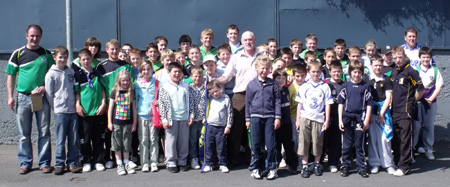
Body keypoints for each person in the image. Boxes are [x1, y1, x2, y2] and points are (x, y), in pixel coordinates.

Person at [6, 24, 54, 174]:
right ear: (26, 35)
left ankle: (45, 163)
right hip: (23, 97)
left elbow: (53, 75)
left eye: (37, 35)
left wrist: (46, 87)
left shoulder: (46, 55)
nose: (34, 38)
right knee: (24, 134)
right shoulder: (18, 54)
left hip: (40, 98)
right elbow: (10, 76)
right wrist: (10, 96)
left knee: (44, 132)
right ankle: (25, 163)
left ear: (41, 36)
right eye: (32, 35)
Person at [215, 31, 261, 168]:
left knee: (256, 128)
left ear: (254, 40)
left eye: (250, 39)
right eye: (245, 40)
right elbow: (226, 77)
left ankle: (253, 157)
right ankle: (234, 158)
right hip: (240, 96)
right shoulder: (236, 57)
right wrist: (213, 81)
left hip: (258, 95)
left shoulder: (261, 56)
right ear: (242, 41)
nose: (248, 42)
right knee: (235, 129)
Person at [96, 39, 135, 169]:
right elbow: (100, 87)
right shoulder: (101, 67)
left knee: (125, 134)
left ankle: (125, 159)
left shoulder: (126, 65)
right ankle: (108, 158)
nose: (114, 51)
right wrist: (103, 103)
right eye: (111, 49)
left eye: (116, 49)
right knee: (108, 133)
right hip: (108, 105)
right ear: (107, 50)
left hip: (124, 106)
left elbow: (131, 84)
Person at [45, 46, 81, 175]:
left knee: (73, 138)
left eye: (65, 57)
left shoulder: (71, 72)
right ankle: (59, 163)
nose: (63, 59)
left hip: (72, 110)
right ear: (55, 57)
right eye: (60, 57)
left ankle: (72, 162)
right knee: (60, 139)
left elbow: (75, 90)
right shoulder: (51, 74)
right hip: (60, 111)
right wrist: (55, 107)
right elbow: (49, 93)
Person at [390, 46, 424, 176]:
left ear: (404, 57)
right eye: (395, 58)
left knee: (405, 140)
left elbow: (421, 90)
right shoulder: (394, 71)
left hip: (406, 111)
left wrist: (412, 102)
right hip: (394, 111)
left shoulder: (411, 71)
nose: (398, 60)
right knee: (396, 139)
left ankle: (405, 167)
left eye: (400, 57)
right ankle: (398, 163)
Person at [245, 56, 281, 180]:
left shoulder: (273, 84)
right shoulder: (251, 85)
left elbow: (277, 102)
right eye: (262, 68)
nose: (264, 71)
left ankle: (272, 168)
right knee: (255, 144)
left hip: (270, 117)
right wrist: (247, 119)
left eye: (267, 68)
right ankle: (256, 168)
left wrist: (277, 118)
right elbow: (248, 103)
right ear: (256, 68)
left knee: (271, 145)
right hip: (255, 117)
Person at [295, 60, 333, 178]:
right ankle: (305, 165)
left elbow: (327, 104)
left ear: (321, 72)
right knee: (304, 141)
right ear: (308, 72)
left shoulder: (325, 86)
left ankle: (317, 164)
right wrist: (298, 120)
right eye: (313, 72)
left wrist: (326, 120)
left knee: (317, 142)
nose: (315, 74)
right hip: (305, 118)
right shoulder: (305, 86)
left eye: (317, 72)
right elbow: (299, 104)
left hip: (318, 119)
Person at [337, 60, 373, 178]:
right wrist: (340, 120)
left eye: (359, 72)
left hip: (359, 120)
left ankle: (361, 167)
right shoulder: (345, 86)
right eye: (354, 72)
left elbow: (369, 104)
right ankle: (345, 166)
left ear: (362, 73)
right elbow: (340, 104)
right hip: (347, 119)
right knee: (347, 145)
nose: (356, 74)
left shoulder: (365, 86)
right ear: (350, 72)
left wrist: (366, 120)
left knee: (359, 145)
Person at [74, 49, 107, 172]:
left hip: (98, 111)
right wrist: (78, 104)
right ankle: (87, 160)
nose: (86, 61)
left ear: (91, 59)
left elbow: (103, 90)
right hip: (85, 112)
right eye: (83, 59)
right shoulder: (78, 75)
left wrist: (103, 103)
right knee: (85, 138)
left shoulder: (98, 73)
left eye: (88, 59)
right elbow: (77, 92)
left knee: (98, 137)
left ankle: (98, 160)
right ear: (80, 60)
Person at [158, 62, 193, 173]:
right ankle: (171, 161)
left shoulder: (185, 86)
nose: (177, 74)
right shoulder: (164, 87)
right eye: (174, 71)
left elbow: (190, 102)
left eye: (179, 71)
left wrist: (191, 116)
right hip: (171, 119)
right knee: (171, 141)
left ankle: (182, 161)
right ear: (169, 72)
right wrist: (164, 119)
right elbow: (162, 104)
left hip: (184, 117)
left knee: (183, 141)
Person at [413, 47, 444, 161]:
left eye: (428, 57)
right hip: (418, 102)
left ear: (430, 58)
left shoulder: (435, 70)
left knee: (429, 126)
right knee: (416, 126)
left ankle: (428, 149)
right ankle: (412, 149)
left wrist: (431, 98)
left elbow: (439, 86)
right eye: (423, 57)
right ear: (420, 58)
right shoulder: (415, 70)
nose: (426, 59)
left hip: (431, 102)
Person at [367, 55, 396, 175]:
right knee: (373, 139)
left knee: (385, 139)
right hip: (371, 112)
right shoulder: (366, 79)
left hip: (383, 112)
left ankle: (388, 164)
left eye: (380, 65)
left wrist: (382, 114)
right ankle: (375, 163)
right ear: (371, 66)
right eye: (375, 65)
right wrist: (369, 115)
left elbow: (389, 98)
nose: (378, 67)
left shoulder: (387, 79)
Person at [108, 69, 138, 175]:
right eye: (123, 80)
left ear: (130, 80)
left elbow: (134, 108)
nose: (125, 83)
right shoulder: (114, 91)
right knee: (117, 143)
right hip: (116, 122)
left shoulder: (131, 92)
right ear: (119, 81)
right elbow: (111, 108)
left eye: (127, 80)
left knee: (126, 143)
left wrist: (134, 123)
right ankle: (119, 163)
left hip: (128, 123)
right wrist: (109, 122)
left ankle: (126, 162)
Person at [203, 80, 233, 173]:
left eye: (216, 91)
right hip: (210, 126)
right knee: (209, 146)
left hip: (221, 127)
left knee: (221, 147)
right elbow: (206, 108)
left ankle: (222, 164)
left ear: (220, 88)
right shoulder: (210, 99)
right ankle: (209, 163)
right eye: (212, 92)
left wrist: (228, 126)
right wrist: (205, 118)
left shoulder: (226, 98)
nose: (215, 94)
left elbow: (230, 113)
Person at [134, 62, 159, 172]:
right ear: (140, 71)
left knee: (153, 139)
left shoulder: (157, 83)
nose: (146, 71)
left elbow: (160, 97)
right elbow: (135, 100)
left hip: (153, 116)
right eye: (143, 69)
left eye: (148, 69)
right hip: (142, 115)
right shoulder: (137, 84)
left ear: (151, 70)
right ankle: (145, 162)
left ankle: (154, 162)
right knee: (143, 140)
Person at [273, 69, 298, 174]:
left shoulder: (286, 90)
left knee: (289, 145)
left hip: (287, 122)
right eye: (278, 78)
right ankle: (274, 166)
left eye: (283, 78)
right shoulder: (273, 91)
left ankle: (292, 165)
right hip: (277, 123)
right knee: (276, 146)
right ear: (274, 79)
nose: (281, 80)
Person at [321, 61, 344, 173]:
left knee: (336, 141)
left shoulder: (345, 84)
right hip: (325, 117)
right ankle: (319, 162)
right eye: (334, 71)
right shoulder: (324, 83)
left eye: (338, 71)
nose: (336, 73)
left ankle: (333, 163)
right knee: (323, 140)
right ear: (329, 72)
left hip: (338, 117)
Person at [288, 64, 307, 171]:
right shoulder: (291, 87)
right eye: (297, 76)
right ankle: (295, 162)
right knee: (295, 141)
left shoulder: (307, 86)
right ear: (294, 76)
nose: (300, 78)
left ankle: (302, 162)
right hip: (293, 117)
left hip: (305, 117)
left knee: (303, 141)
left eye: (302, 76)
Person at [187, 66, 206, 170]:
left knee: (202, 140)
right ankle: (193, 158)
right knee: (193, 140)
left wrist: (205, 117)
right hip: (193, 120)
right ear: (191, 77)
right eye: (195, 76)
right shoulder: (189, 88)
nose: (197, 78)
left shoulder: (205, 88)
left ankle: (202, 157)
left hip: (202, 119)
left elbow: (207, 104)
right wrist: (191, 116)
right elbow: (189, 104)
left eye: (199, 76)